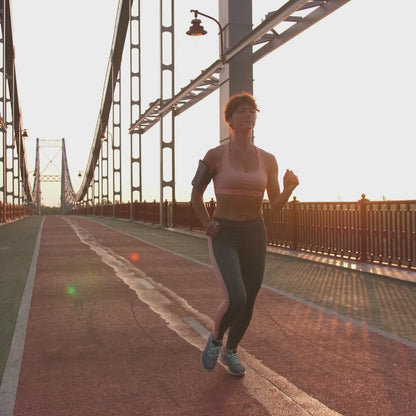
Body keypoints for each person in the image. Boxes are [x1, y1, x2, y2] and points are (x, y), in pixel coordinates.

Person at [191, 92, 299, 376]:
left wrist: (288, 189)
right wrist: (206, 222)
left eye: (252, 111)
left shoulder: (269, 159)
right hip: (224, 233)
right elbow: (195, 194)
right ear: (230, 119)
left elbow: (274, 206)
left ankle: (231, 351)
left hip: (254, 233)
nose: (248, 115)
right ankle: (215, 340)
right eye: (241, 111)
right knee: (236, 297)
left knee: (249, 299)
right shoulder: (215, 155)